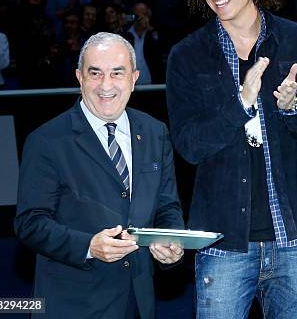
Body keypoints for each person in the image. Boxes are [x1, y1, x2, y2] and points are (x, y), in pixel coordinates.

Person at [166, 0, 297, 319]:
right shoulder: (186, 56)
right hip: (223, 241)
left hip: (292, 235)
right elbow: (189, 145)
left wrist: (295, 109)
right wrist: (241, 104)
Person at [14, 32, 184, 318]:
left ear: (134, 78)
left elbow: (167, 206)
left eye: (117, 73)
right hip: (74, 305)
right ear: (80, 77)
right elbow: (30, 223)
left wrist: (172, 242)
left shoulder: (155, 132)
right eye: (95, 74)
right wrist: (88, 247)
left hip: (138, 301)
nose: (106, 86)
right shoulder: (46, 141)